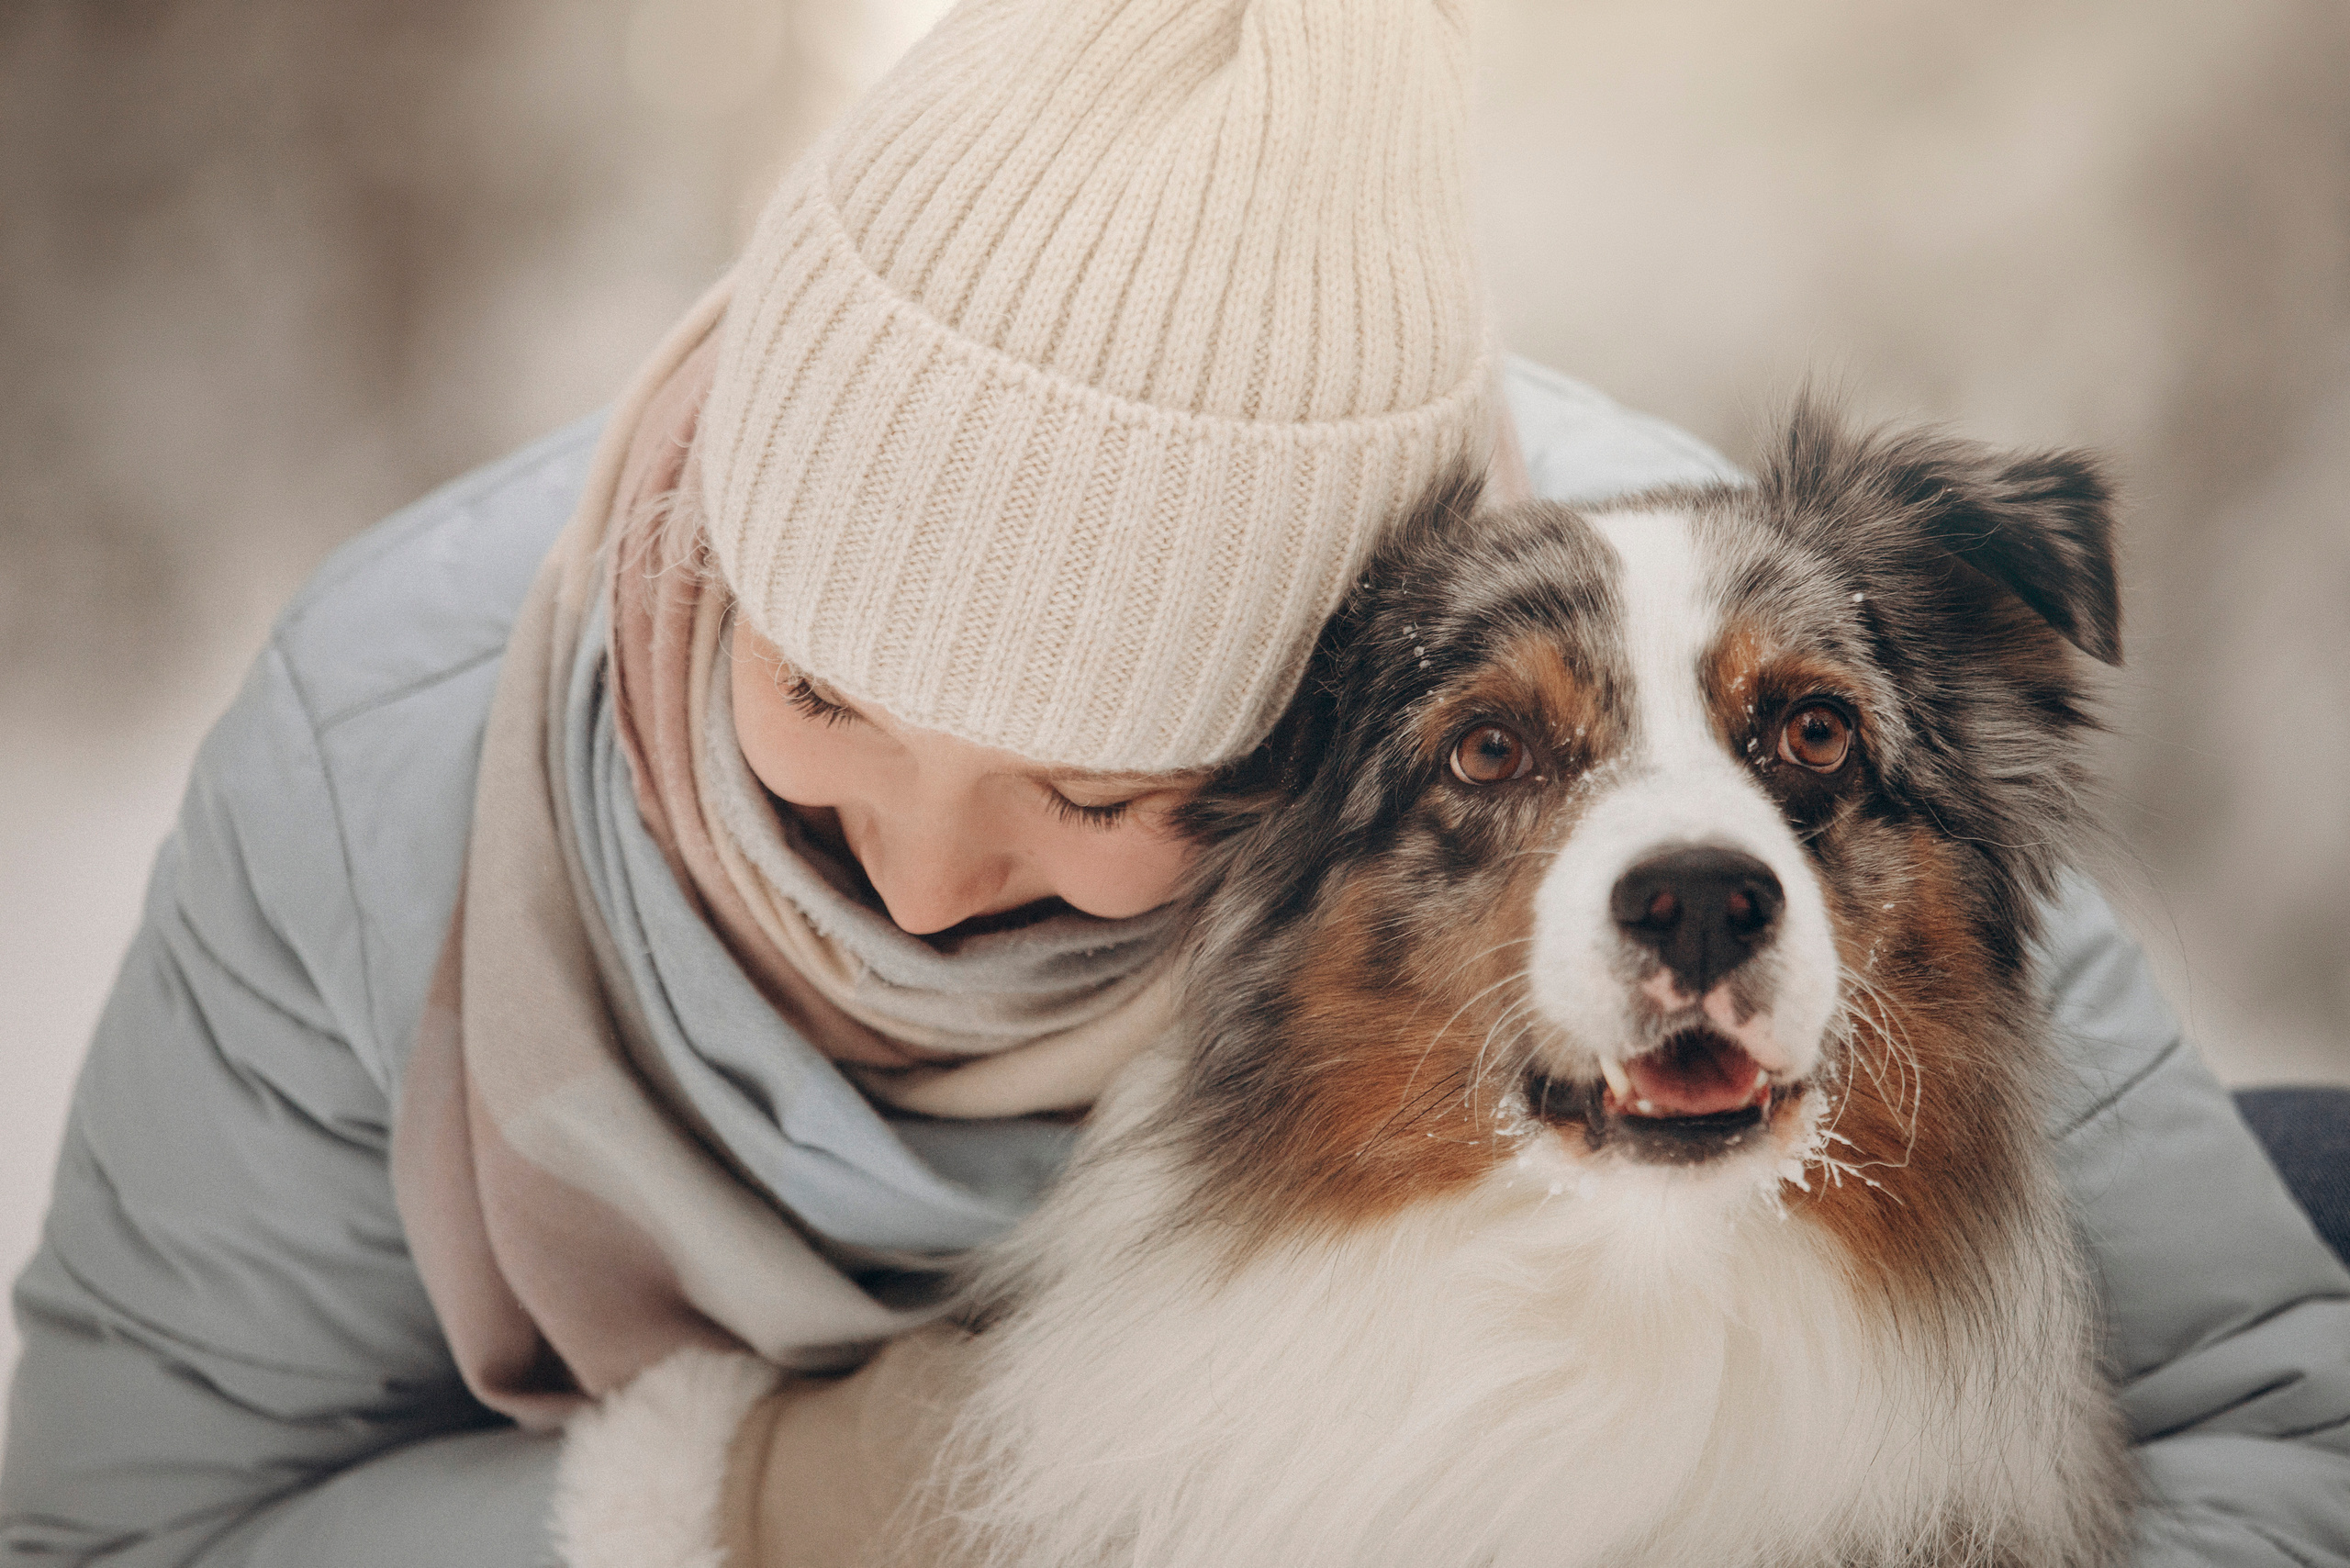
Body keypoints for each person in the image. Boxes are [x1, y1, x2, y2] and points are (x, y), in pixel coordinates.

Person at [4, 1, 2345, 1564]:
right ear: (709, 544)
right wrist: (776, 1499)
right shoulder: (375, 745)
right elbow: (114, 1527)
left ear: (1280, 723)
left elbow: (2271, 1396)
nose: (921, 879)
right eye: (814, 692)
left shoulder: (1666, 574)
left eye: (1097, 778)